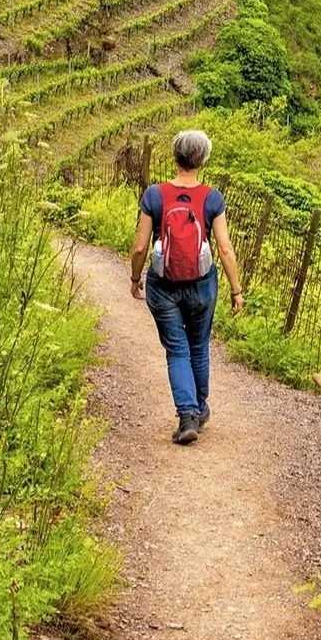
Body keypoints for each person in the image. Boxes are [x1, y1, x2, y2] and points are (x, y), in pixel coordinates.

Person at [130, 129, 246, 444]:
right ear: (202, 159)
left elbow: (140, 246)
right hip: (202, 284)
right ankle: (199, 408)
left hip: (163, 284)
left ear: (175, 156)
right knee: (198, 345)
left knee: (177, 349)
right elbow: (224, 249)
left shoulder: (154, 194)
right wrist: (236, 290)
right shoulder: (212, 198)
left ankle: (187, 415)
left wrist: (134, 278)